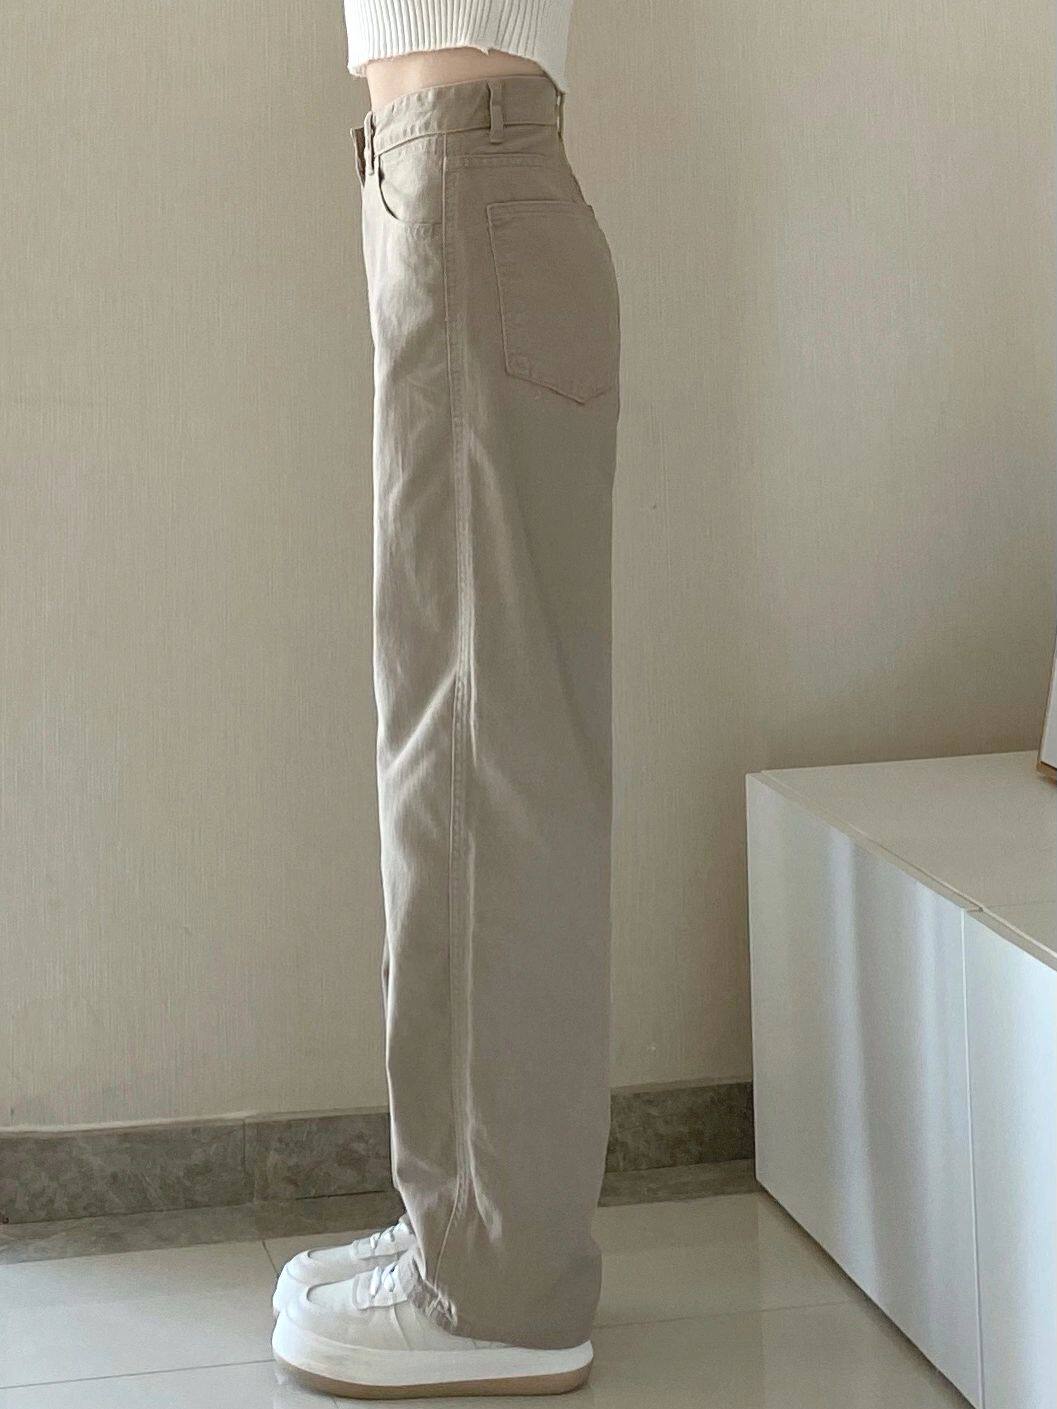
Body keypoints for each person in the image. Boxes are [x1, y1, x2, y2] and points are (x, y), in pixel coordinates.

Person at [272, 2, 621, 1397]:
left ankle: (495, 1286)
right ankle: (464, 1228)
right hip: (449, 180)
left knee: (480, 773)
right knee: (468, 756)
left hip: (466, 181)